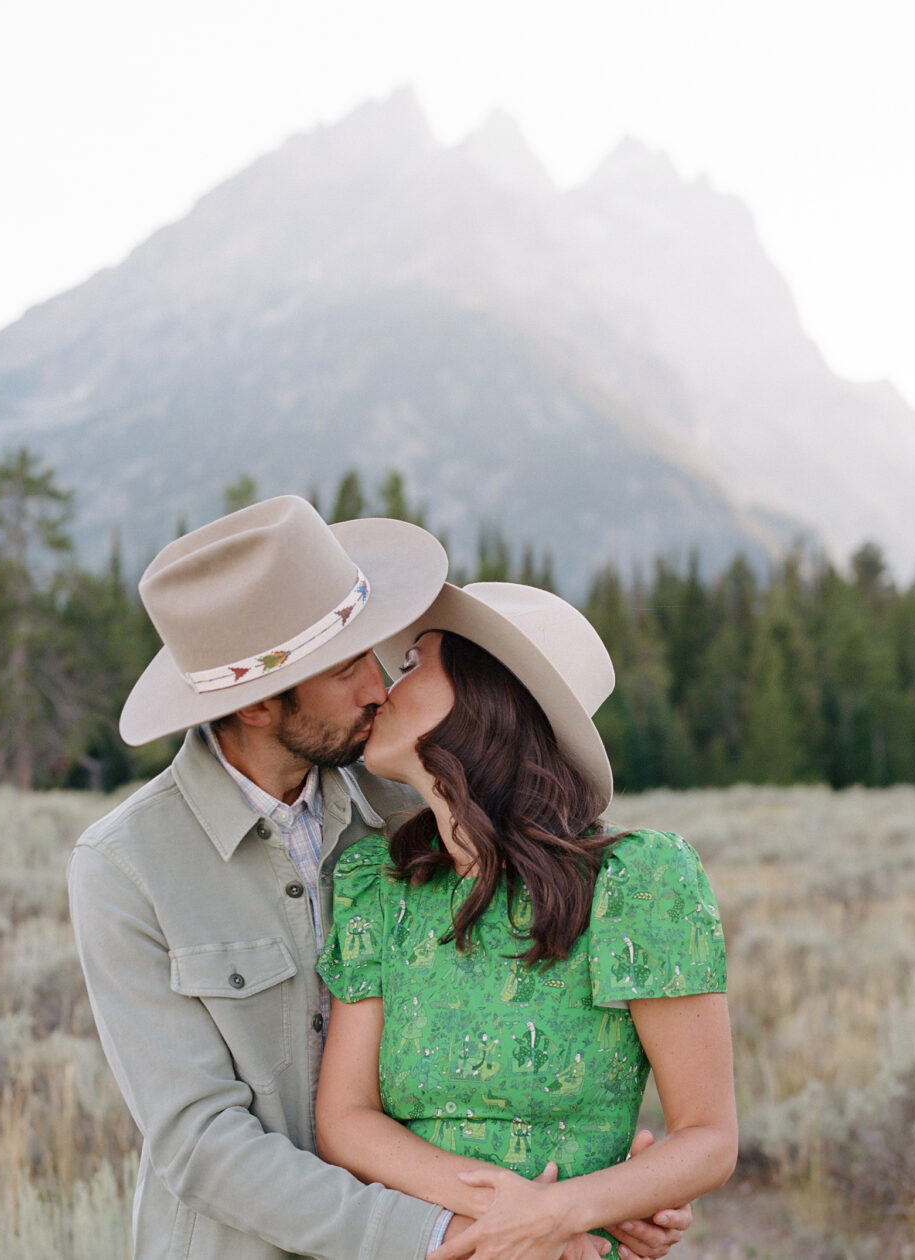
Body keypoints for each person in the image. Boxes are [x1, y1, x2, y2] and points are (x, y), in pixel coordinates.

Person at [68, 496, 694, 1260]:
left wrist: (588, 1189)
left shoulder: (418, 812)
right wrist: (459, 1236)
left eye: (374, 652)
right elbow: (201, 1143)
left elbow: (501, 1042)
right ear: (258, 704)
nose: (377, 686)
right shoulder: (126, 868)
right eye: (343, 668)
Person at [315, 582, 738, 1260]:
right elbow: (345, 1119)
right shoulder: (378, 886)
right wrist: (518, 1218)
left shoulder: (639, 882)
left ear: (485, 699)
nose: (384, 691)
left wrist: (561, 1215)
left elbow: (708, 1137)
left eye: (414, 666)